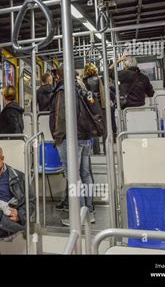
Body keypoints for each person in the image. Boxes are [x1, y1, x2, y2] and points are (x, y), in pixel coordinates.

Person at [49, 66, 96, 224]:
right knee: (85, 174)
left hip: (70, 137)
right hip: (85, 136)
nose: (55, 77)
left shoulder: (63, 90)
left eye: (56, 74)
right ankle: (89, 211)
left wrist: (58, 137)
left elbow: (61, 117)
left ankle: (79, 216)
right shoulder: (81, 87)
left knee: (73, 177)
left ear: (62, 75)